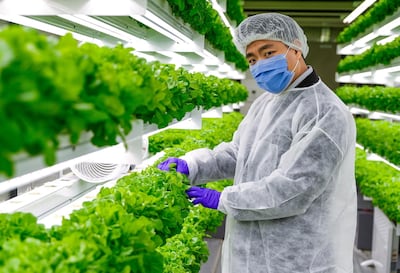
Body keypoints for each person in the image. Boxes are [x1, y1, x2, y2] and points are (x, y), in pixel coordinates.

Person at [158, 12, 357, 273]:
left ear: (295, 48)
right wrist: (193, 166)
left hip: (297, 259)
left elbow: (293, 189)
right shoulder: (266, 103)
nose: (260, 63)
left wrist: (223, 199)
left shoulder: (324, 112)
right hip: (251, 252)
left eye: (268, 53)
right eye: (252, 59)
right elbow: (238, 153)